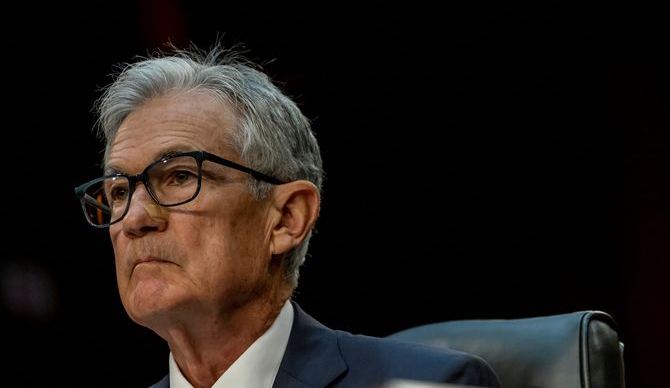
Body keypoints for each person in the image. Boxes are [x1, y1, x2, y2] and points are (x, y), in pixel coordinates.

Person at [74, 44, 501, 388]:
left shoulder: (422, 382)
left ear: (286, 219)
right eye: (119, 191)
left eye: (181, 176)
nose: (133, 219)